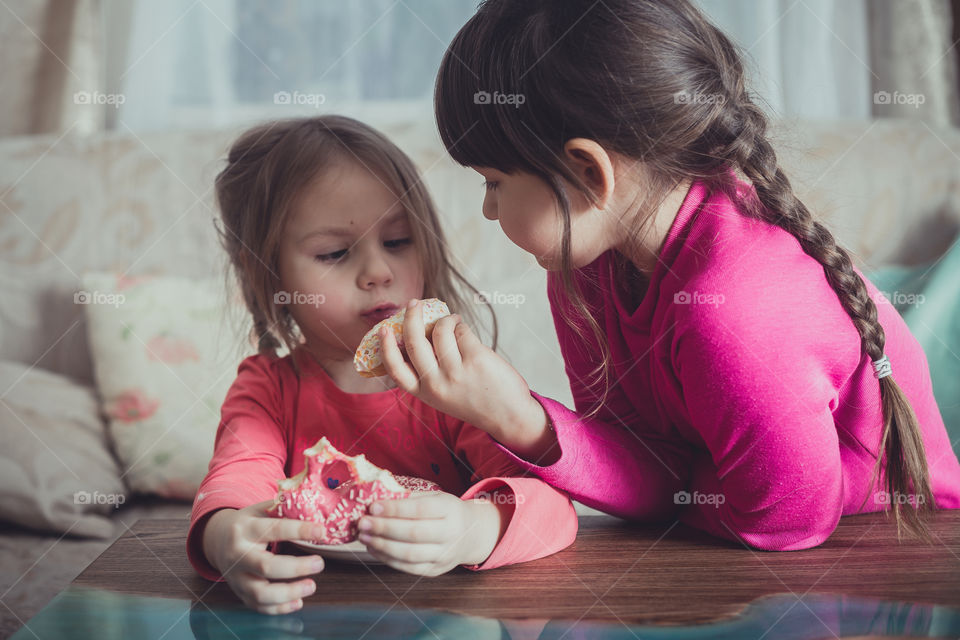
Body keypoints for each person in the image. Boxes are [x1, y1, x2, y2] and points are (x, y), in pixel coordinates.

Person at [377, 0, 960, 556]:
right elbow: (646, 469)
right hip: (735, 565)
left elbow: (784, 524)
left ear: (588, 172)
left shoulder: (732, 309)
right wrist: (515, 417)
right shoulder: (585, 270)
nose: (487, 209)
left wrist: (672, 481)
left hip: (896, 558)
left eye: (493, 182)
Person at [186, 115, 577, 615]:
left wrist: (472, 530)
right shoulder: (269, 387)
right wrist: (225, 537)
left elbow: (552, 508)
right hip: (312, 605)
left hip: (449, 612)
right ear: (264, 270)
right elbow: (234, 482)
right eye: (335, 252)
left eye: (396, 242)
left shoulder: (452, 380)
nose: (377, 272)